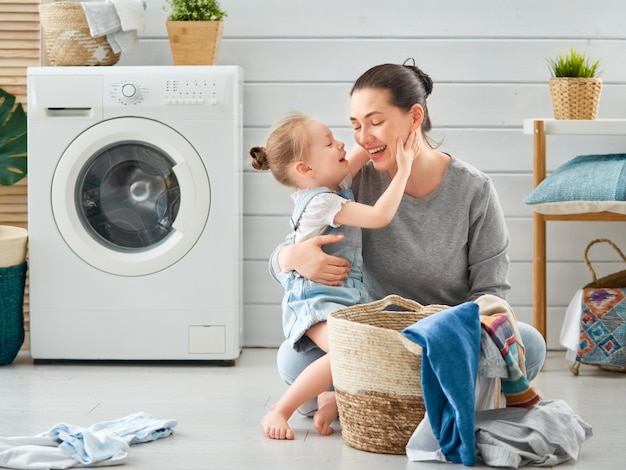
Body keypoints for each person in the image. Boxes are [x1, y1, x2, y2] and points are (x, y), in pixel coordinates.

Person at [270, 60, 547, 418]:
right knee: (292, 362)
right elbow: (293, 243)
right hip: (372, 335)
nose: (362, 137)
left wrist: (446, 333)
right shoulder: (350, 182)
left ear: (415, 117)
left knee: (531, 345)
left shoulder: (473, 189)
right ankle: (421, 395)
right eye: (355, 125)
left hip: (447, 335)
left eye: (376, 121)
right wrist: (290, 258)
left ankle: (364, 395)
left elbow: (491, 293)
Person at [250, 113, 419, 440]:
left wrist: (388, 131)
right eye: (329, 143)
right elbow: (380, 216)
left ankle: (332, 399)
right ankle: (280, 409)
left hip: (338, 300)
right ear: (305, 169)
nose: (341, 143)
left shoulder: (329, 187)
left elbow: (360, 151)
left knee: (362, 353)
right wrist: (406, 167)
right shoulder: (322, 203)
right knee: (347, 351)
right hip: (316, 300)